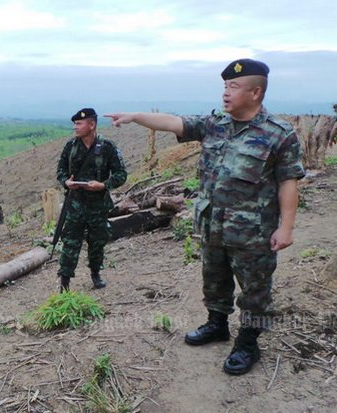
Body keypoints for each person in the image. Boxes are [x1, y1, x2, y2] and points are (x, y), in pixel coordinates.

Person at [105, 59, 305, 375]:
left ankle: (248, 342)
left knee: (255, 290)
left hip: (253, 232)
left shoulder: (278, 134)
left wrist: (287, 228)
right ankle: (217, 325)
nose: (226, 93)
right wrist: (135, 117)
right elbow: (173, 122)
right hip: (212, 225)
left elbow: (288, 182)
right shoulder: (215, 124)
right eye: (225, 86)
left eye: (234, 87)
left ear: (255, 92)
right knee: (214, 280)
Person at [56, 108, 128, 292]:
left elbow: (121, 174)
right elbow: (61, 171)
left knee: (97, 242)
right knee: (70, 242)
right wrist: (67, 182)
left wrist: (103, 185)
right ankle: (64, 282)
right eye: (75, 123)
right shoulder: (71, 147)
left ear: (92, 125)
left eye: (79, 123)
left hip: (98, 205)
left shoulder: (107, 147)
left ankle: (95, 274)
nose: (75, 127)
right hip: (75, 203)